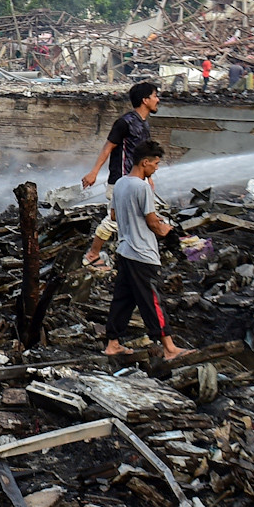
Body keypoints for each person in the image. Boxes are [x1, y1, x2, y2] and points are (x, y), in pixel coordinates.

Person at [104, 141, 188, 361]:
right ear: (145, 163)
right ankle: (169, 348)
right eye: (156, 163)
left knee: (123, 299)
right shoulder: (142, 187)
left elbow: (113, 216)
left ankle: (113, 343)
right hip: (142, 254)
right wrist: (167, 230)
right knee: (152, 300)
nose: (157, 168)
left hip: (124, 250)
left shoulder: (121, 183)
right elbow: (152, 223)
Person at [81, 82, 160, 268]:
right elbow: (108, 147)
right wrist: (93, 173)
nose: (158, 100)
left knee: (133, 219)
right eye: (155, 95)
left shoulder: (144, 124)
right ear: (145, 99)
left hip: (136, 182)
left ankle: (123, 256)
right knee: (116, 220)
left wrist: (149, 179)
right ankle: (92, 254)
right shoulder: (125, 123)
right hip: (121, 181)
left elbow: (143, 158)